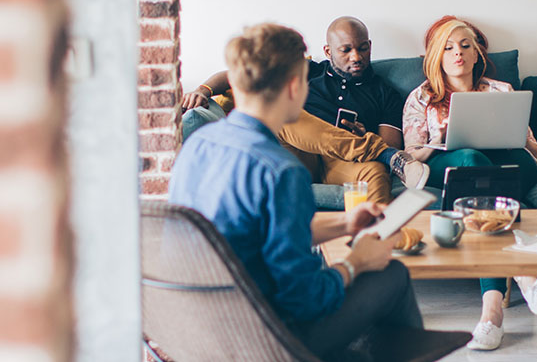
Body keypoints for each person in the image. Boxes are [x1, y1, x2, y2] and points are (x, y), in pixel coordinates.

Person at [169, 23, 424, 360]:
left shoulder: (198, 144)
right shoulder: (281, 171)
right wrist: (355, 264)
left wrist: (345, 224)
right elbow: (305, 299)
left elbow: (257, 232)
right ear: (295, 86)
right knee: (391, 274)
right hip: (268, 338)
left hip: (202, 331)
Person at [402, 16, 537, 351]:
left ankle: (493, 317)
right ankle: (515, 288)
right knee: (472, 161)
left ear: (476, 55)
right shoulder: (421, 98)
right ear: (436, 57)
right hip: (452, 163)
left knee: (493, 176)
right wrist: (439, 139)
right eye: (448, 47)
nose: (457, 53)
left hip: (512, 163)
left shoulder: (501, 91)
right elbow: (410, 156)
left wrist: (511, 135)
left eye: (465, 46)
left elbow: (533, 149)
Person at [179, 16, 430, 204]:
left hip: (340, 162)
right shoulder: (308, 71)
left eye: (363, 48)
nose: (356, 56)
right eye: (346, 50)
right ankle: (383, 154)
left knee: (374, 171)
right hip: (297, 154)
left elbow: (390, 141)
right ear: (328, 51)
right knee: (289, 117)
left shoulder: (385, 93)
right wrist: (203, 90)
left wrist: (364, 133)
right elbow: (235, 75)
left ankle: (378, 238)